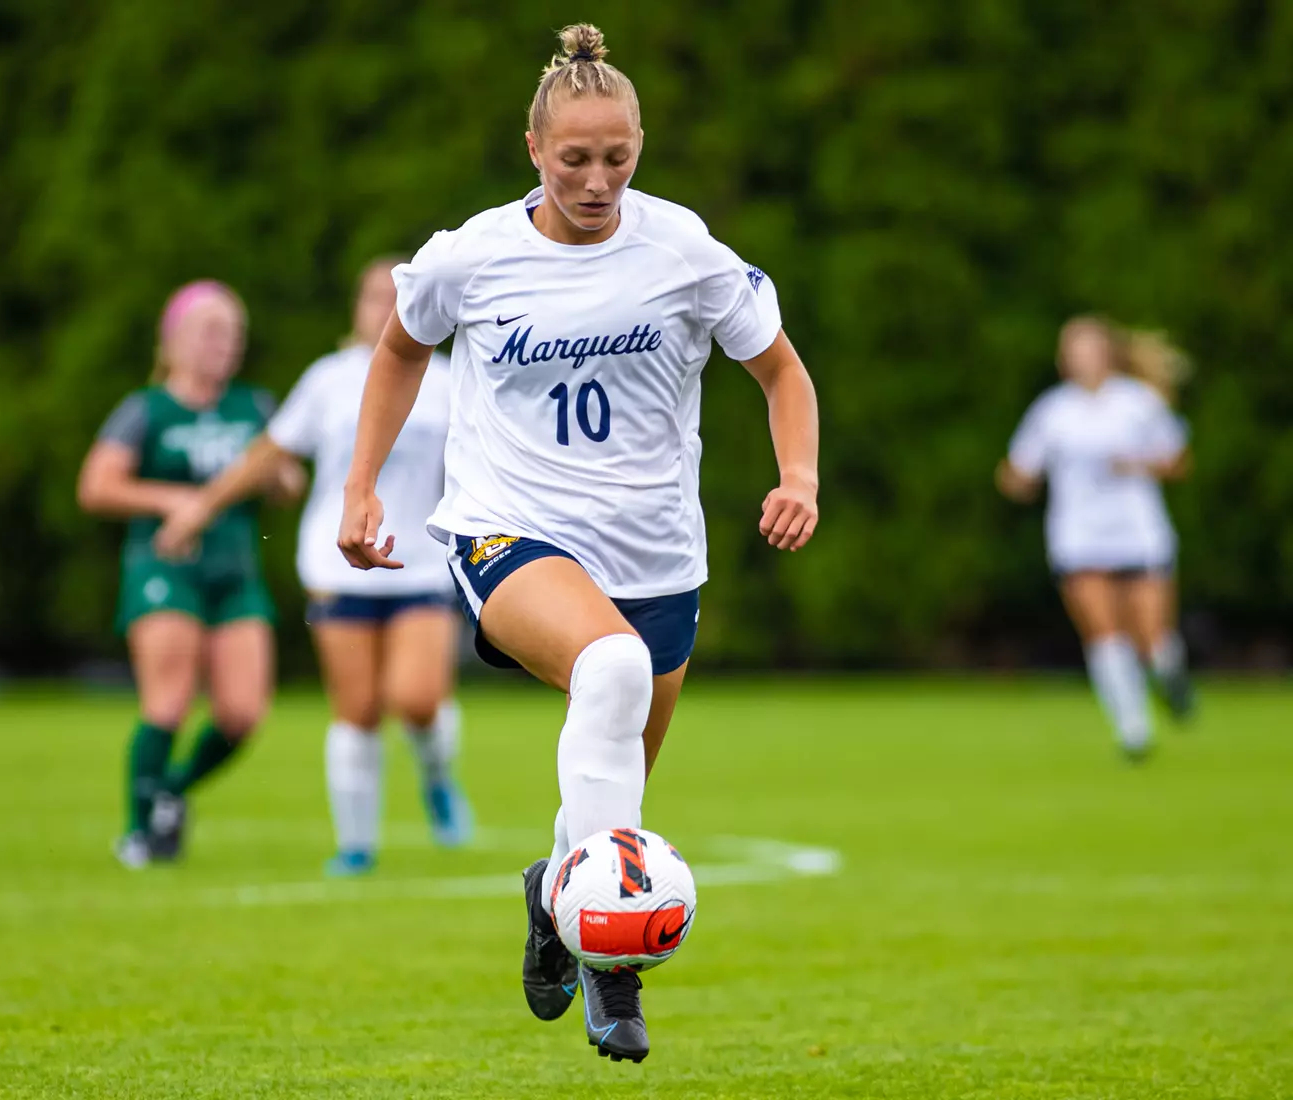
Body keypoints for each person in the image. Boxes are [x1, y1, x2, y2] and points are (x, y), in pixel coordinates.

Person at [335, 24, 820, 1064]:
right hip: (508, 528)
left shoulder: (684, 249)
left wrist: (800, 475)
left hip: (655, 552)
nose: (598, 181)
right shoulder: (470, 256)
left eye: (618, 157)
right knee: (609, 668)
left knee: (614, 782)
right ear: (532, 150)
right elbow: (397, 349)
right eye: (574, 160)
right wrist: (361, 485)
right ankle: (614, 967)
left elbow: (781, 370)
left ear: (640, 143)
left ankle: (552, 885)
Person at [154, 261, 472, 877]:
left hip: (422, 561)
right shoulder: (328, 380)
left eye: (397, 297)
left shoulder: (447, 379)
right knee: (356, 711)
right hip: (339, 563)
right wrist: (200, 508)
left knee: (418, 698)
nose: (385, 307)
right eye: (374, 296)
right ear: (355, 305)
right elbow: (269, 451)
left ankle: (436, 778)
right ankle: (356, 847)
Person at [77, 280, 306, 868]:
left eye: (233, 334)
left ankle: (169, 792)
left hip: (234, 574)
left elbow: (288, 481)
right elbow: (97, 486)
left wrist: (279, 476)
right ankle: (138, 833)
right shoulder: (146, 409)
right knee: (169, 701)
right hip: (166, 568)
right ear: (173, 340)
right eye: (211, 332)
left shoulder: (253, 407)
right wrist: (171, 501)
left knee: (241, 713)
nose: (224, 345)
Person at [997, 315, 1194, 760]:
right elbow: (1019, 469)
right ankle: (1133, 729)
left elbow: (1178, 462)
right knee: (1103, 633)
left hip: (1137, 530)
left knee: (1152, 635)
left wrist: (1138, 464)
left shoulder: (1138, 402)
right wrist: (1016, 481)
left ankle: (1170, 674)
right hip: (1078, 534)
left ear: (1107, 353)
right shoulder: (1053, 410)